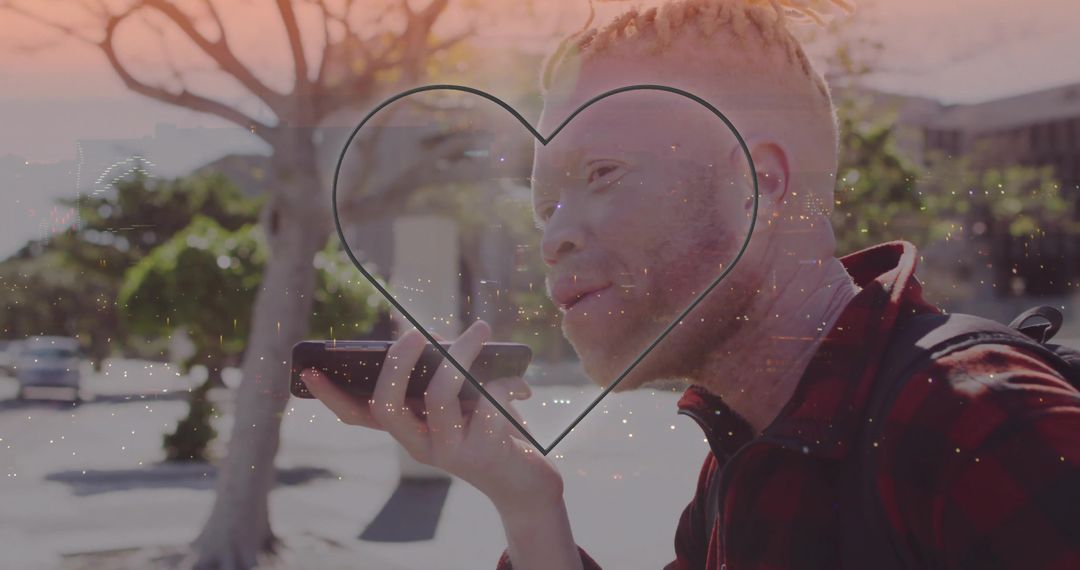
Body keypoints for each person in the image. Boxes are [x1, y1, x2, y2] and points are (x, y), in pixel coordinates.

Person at [302, 0, 1080, 568]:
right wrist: (524, 500)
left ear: (760, 184)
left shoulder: (979, 428)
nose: (552, 235)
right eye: (545, 205)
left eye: (601, 173)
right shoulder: (742, 455)